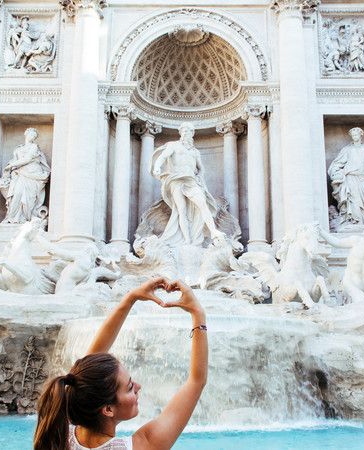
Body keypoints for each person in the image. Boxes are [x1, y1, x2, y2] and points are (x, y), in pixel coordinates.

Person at [34, 277, 208, 450]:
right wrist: (197, 314)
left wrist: (131, 298)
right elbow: (196, 381)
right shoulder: (141, 446)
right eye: (130, 387)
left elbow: (87, 373)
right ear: (108, 409)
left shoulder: (56, 435)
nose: (138, 387)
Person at [151, 122, 224, 246]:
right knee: (181, 210)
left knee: (203, 204)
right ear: (180, 133)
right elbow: (163, 157)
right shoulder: (174, 145)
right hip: (176, 180)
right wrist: (157, 167)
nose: (185, 133)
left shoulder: (195, 152)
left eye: (188, 131)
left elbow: (201, 168)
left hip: (191, 181)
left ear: (192, 133)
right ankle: (187, 240)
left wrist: (200, 178)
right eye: (183, 131)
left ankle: (213, 231)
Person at [327, 127, 364, 228]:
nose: (354, 137)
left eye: (356, 135)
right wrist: (338, 173)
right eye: (353, 135)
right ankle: (353, 222)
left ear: (361, 135)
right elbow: (336, 164)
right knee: (353, 201)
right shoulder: (347, 150)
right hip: (350, 178)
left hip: (363, 178)